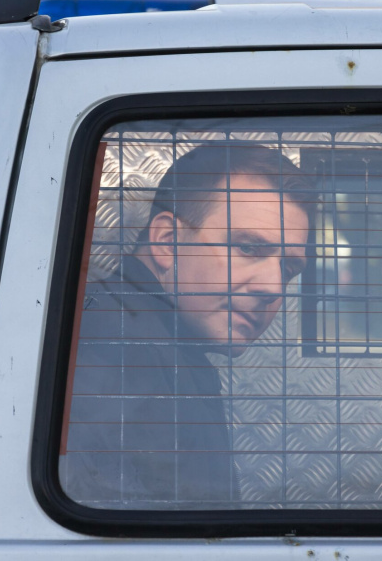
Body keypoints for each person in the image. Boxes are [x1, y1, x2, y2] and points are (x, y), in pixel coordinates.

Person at [66, 144, 315, 508]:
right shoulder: (117, 350)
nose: (274, 287)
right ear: (167, 242)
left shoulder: (152, 342)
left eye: (288, 269)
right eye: (248, 248)